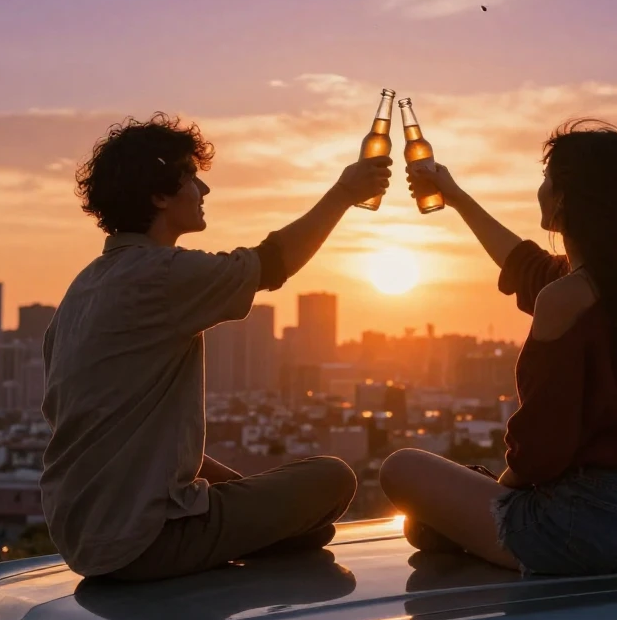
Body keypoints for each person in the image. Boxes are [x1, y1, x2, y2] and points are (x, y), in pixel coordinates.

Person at [41, 113, 391, 582]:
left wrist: (248, 496)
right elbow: (270, 264)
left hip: (84, 540)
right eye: (192, 178)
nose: (204, 192)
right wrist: (345, 194)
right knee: (332, 480)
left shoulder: (81, 291)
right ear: (160, 195)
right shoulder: (160, 275)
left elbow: (101, 429)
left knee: (300, 522)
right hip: (144, 540)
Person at [379, 119, 617, 576]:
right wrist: (454, 196)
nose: (540, 189)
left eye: (546, 180)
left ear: (566, 200)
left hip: (583, 526)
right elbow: (526, 265)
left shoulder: (562, 299)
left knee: (401, 469)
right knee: (433, 519)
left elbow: (541, 447)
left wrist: (496, 490)